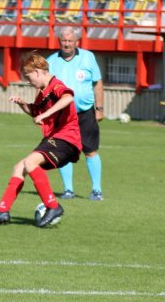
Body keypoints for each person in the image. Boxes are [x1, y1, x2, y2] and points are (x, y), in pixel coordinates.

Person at [0, 52, 79, 227]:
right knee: (19, 167)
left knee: (30, 163)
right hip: (55, 138)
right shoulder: (42, 92)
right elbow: (35, 112)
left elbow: (68, 97)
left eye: (28, 76)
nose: (27, 81)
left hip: (66, 139)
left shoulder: (56, 86)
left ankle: (52, 206)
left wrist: (46, 114)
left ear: (38, 72)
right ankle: (3, 211)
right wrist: (22, 103)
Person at [46, 27, 104, 201]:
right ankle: (68, 190)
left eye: (70, 41)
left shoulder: (88, 57)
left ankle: (96, 190)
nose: (67, 44)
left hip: (85, 112)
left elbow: (98, 83)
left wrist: (99, 109)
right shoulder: (50, 62)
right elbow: (45, 89)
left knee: (90, 151)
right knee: (64, 151)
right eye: (64, 40)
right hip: (62, 115)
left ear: (76, 41)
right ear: (59, 41)